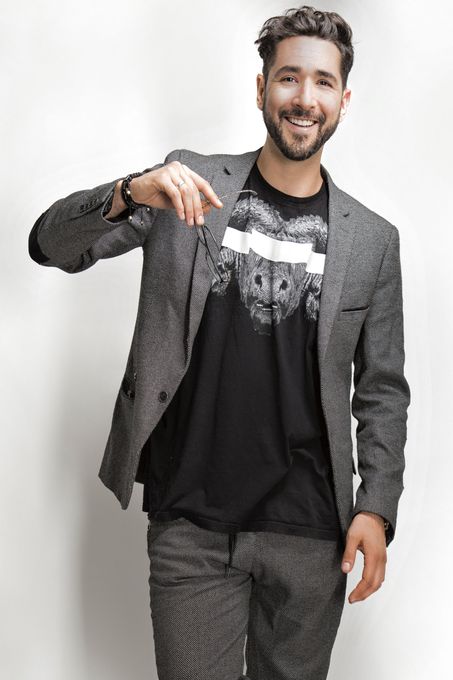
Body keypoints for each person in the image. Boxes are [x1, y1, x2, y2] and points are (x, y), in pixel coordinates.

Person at [28, 5, 411, 679]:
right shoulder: (185, 183)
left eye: (322, 82)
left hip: (312, 534)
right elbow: (50, 246)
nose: (304, 97)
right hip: (191, 524)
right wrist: (127, 191)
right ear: (261, 88)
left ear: (343, 101)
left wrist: (376, 507)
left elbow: (381, 389)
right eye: (288, 77)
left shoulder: (373, 241)